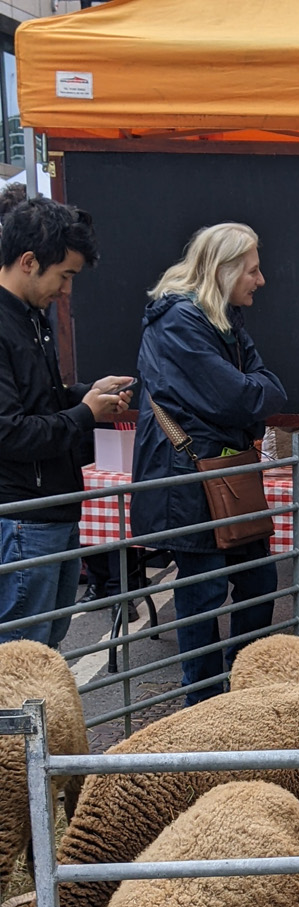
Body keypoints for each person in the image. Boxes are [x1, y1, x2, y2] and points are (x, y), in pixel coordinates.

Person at [131, 222, 286, 703]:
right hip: (187, 477)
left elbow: (264, 390)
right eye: (253, 270)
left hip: (217, 472)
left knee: (257, 582)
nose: (261, 281)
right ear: (223, 270)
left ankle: (243, 693)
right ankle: (204, 705)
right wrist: (248, 394)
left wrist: (247, 394)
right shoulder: (180, 320)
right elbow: (241, 397)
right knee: (203, 595)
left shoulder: (221, 317)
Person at [0, 198, 132, 647]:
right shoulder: (9, 323)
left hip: (46, 507)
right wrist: (85, 412)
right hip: (23, 514)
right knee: (24, 652)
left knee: (42, 643)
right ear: (29, 262)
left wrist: (88, 397)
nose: (66, 289)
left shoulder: (31, 318)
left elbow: (41, 402)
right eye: (65, 275)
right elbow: (10, 432)